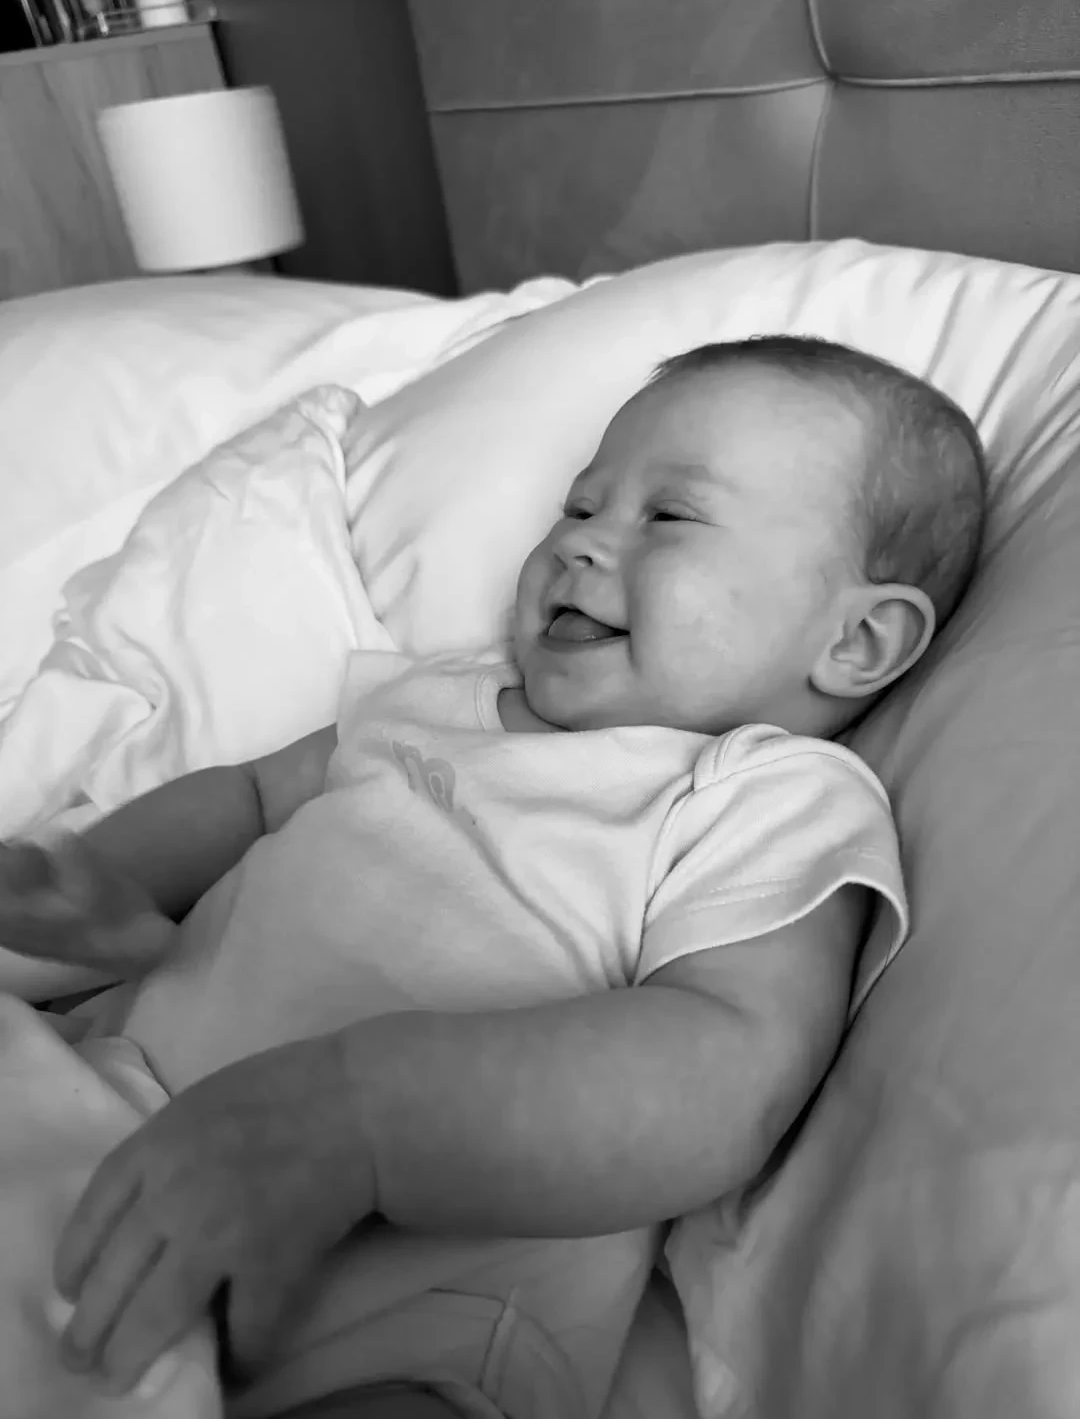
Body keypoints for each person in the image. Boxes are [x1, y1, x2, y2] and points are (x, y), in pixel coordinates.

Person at [0, 336, 988, 1419]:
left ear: (858, 641)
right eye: (579, 506)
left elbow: (732, 1060)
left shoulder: (761, 793)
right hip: (89, 1113)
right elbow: (247, 796)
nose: (579, 544)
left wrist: (357, 1123)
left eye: (670, 516)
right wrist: (108, 878)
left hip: (393, 1300)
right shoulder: (436, 697)